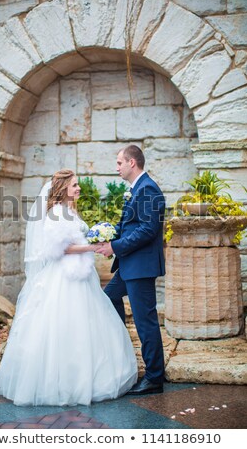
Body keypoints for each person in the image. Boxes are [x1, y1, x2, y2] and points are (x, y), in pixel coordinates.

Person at [0, 169, 137, 406]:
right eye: (74, 185)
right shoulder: (56, 214)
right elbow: (63, 249)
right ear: (62, 190)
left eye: (78, 185)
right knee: (63, 325)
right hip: (63, 277)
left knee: (86, 324)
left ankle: (86, 377)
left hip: (81, 275)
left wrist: (93, 240)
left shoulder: (70, 211)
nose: (79, 188)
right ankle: (62, 383)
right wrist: (92, 247)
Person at [96, 145, 165, 395]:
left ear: (132, 163)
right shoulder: (135, 190)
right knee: (108, 298)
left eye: (119, 163)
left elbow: (148, 230)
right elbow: (127, 224)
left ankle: (155, 377)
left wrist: (114, 246)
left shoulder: (148, 189)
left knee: (145, 321)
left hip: (141, 266)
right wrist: (102, 235)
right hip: (129, 265)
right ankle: (121, 349)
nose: (116, 168)